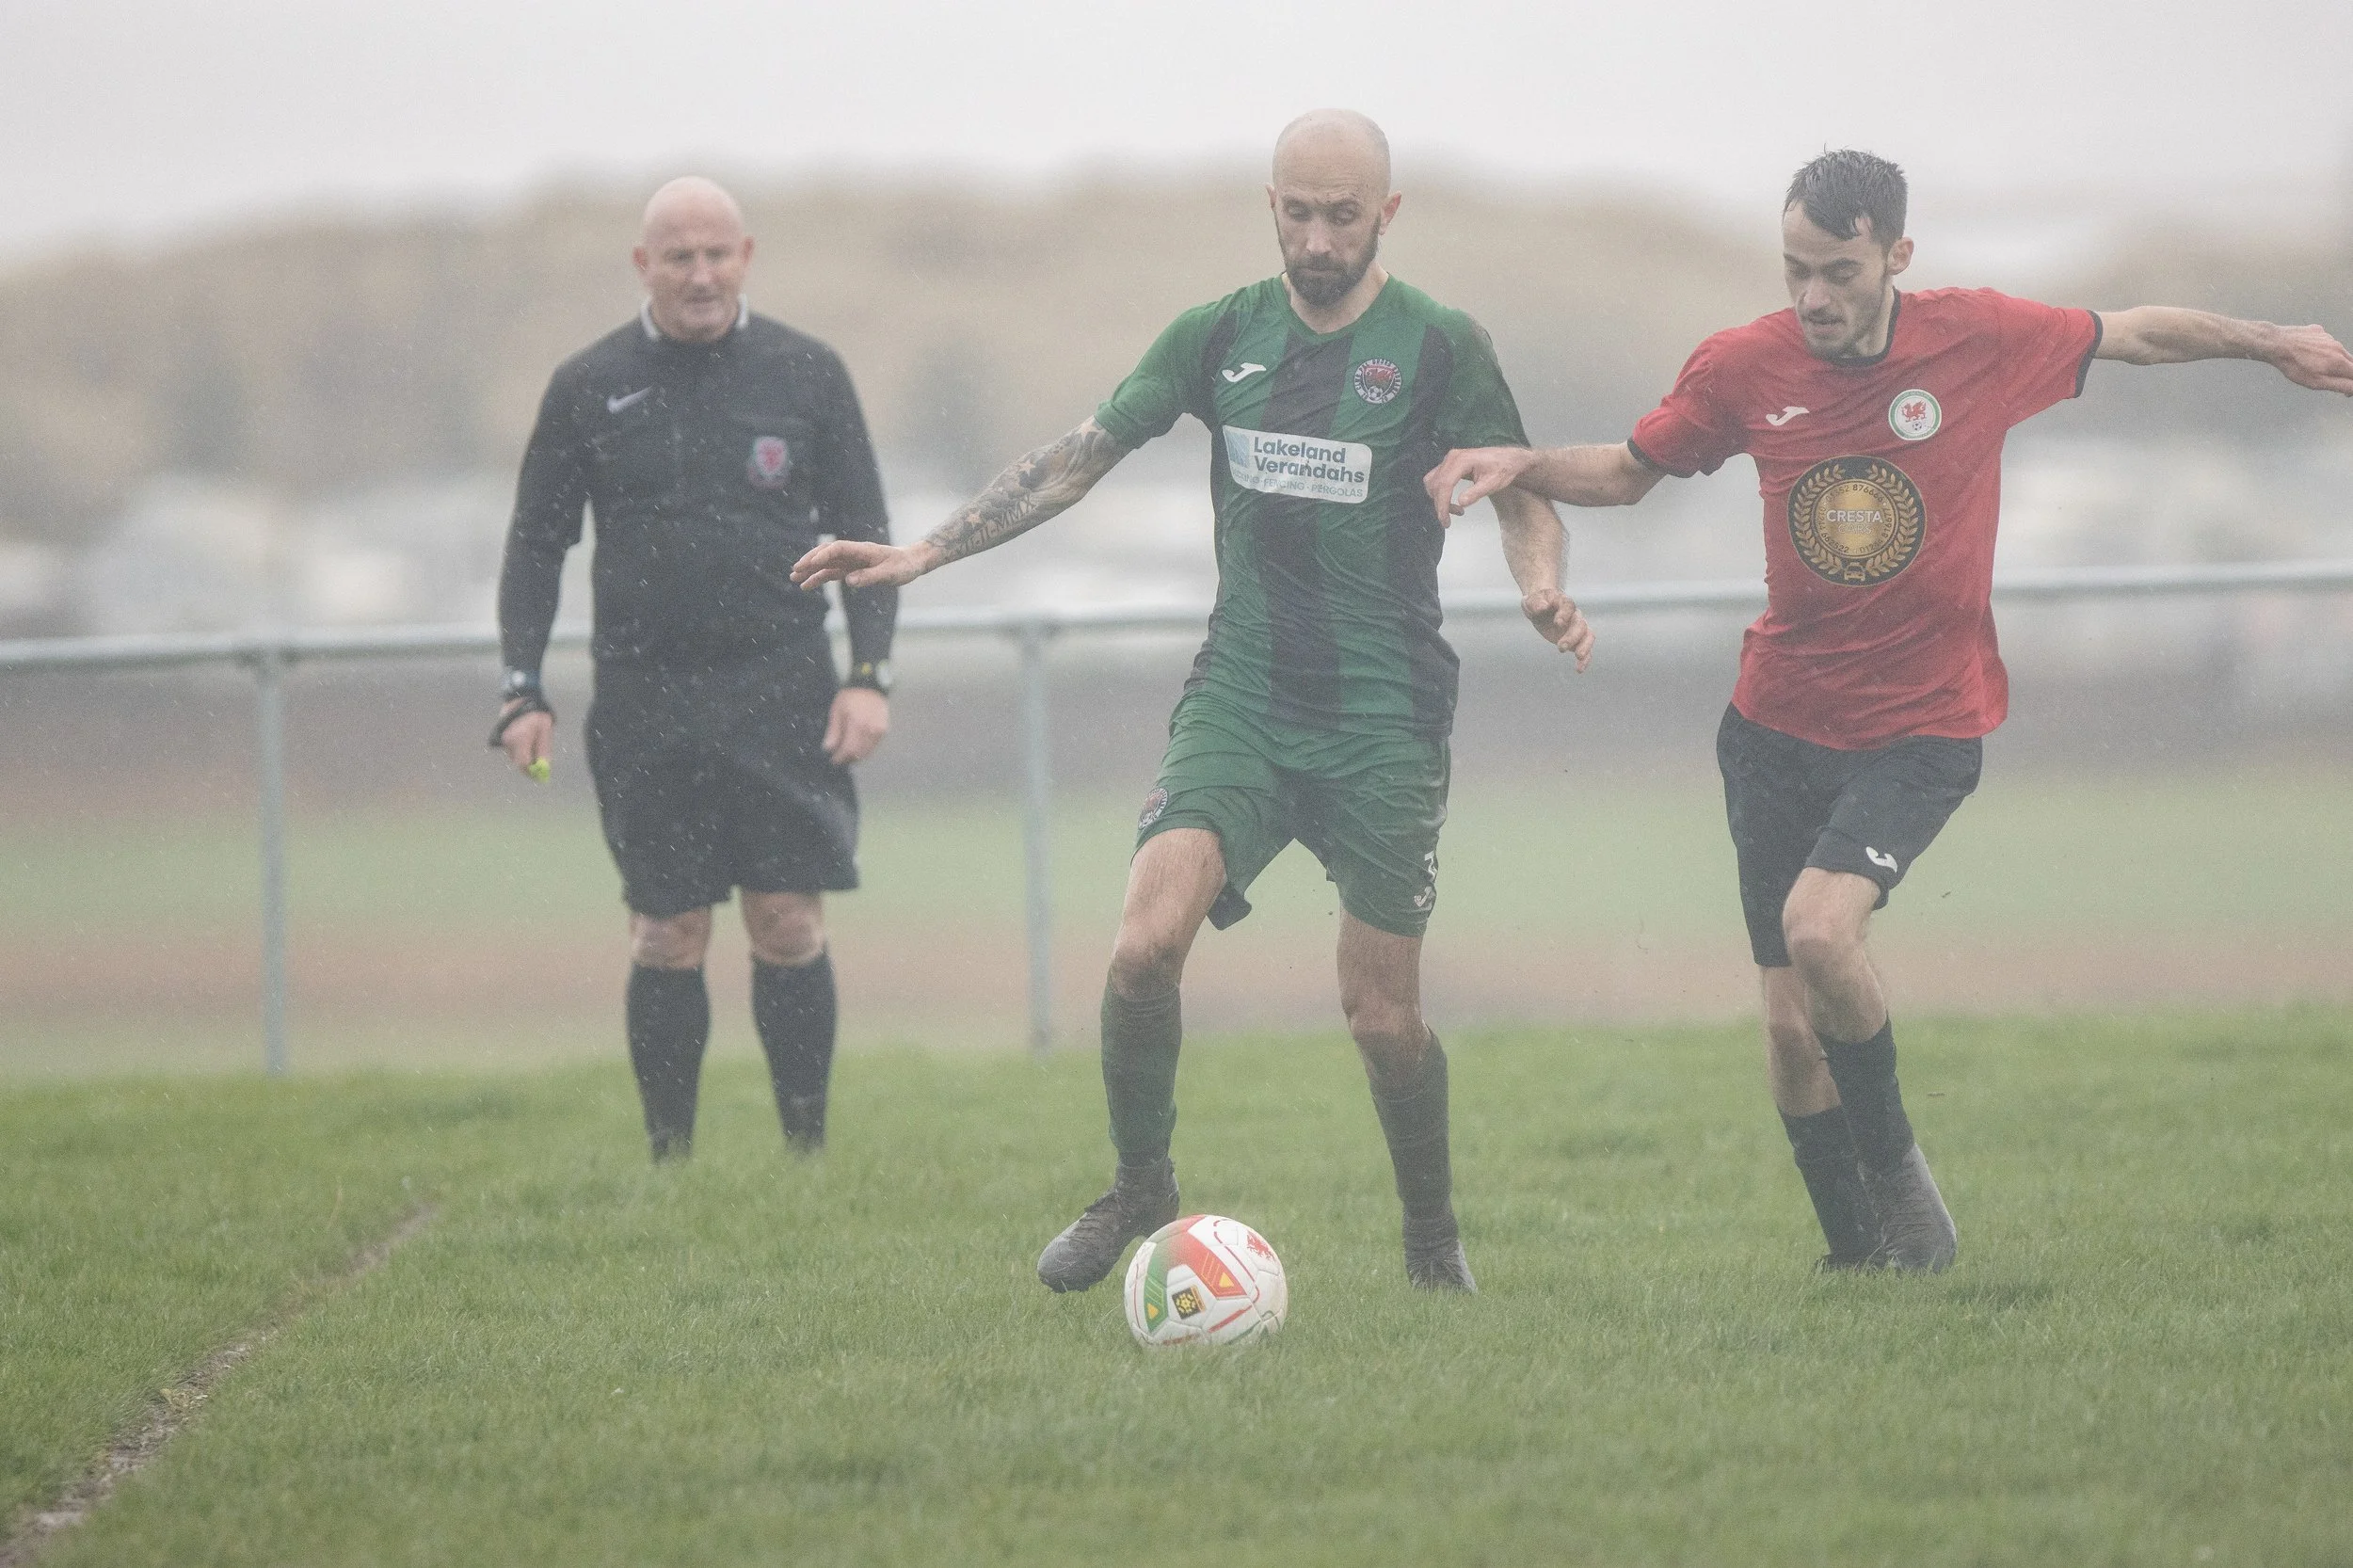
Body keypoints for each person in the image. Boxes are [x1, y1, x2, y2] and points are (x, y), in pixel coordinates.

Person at [1426, 150, 2353, 1272]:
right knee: (1782, 1023)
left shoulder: (1980, 336)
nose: (1812, 295)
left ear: (1895, 257)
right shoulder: (1739, 365)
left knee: (1823, 931)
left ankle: (1907, 1198)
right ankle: (1857, 1260)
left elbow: (2135, 331)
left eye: (1838, 271)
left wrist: (2273, 344)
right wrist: (1522, 461)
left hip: (1923, 725)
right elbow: (1628, 471)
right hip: (1771, 727)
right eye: (1794, 269)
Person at [792, 110, 1592, 1293]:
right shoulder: (1218, 334)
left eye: (1342, 214)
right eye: (1296, 211)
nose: (1317, 238)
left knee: (1379, 1016)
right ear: (1270, 203)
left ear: (1387, 213)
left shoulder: (1438, 344)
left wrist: (1540, 583)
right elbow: (1078, 454)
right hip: (1243, 699)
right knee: (1141, 947)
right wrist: (924, 554)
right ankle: (1139, 1188)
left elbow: (1518, 483)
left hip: (1383, 720)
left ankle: (1431, 1241)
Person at [492, 176, 898, 1161]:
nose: (701, 274)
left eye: (718, 254)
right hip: (644, 696)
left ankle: (807, 1153)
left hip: (782, 687)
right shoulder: (587, 385)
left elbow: (869, 538)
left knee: (787, 920)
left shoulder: (808, 373)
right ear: (645, 266)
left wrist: (868, 675)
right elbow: (536, 546)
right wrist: (522, 687)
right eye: (679, 256)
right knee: (666, 932)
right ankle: (668, 1160)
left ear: (746, 256)